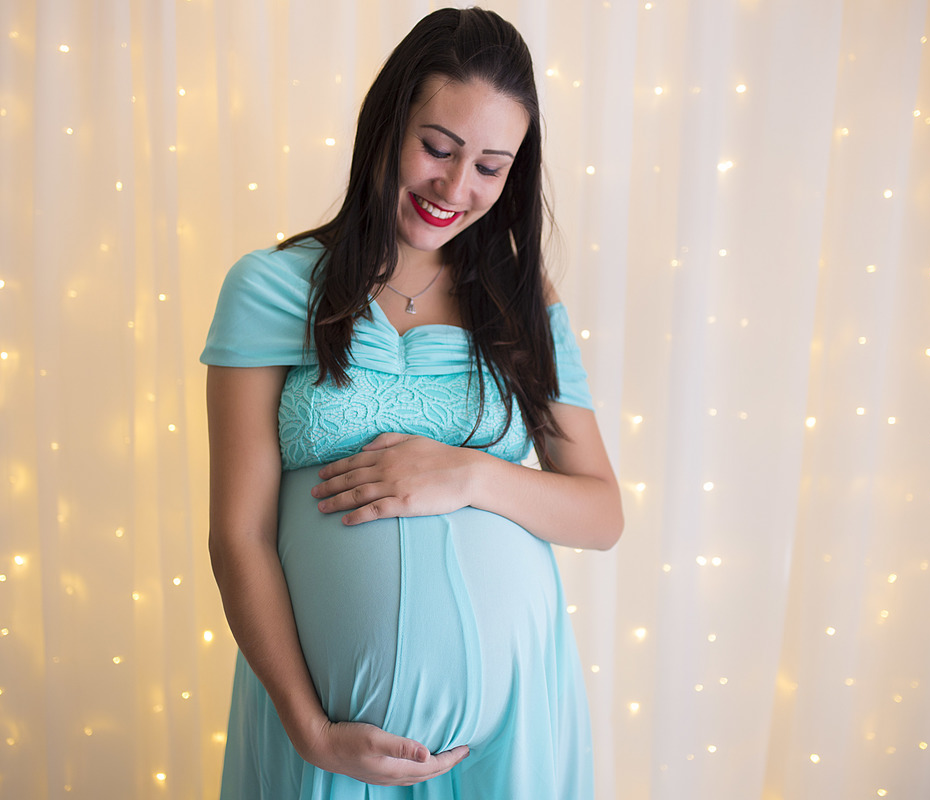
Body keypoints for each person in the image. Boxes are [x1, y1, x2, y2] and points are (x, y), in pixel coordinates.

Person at [201, 7, 623, 797]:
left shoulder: (524, 303)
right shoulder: (270, 289)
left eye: (490, 167)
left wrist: (470, 475)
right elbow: (239, 535)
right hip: (328, 736)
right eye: (437, 147)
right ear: (388, 124)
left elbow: (602, 514)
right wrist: (309, 729)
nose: (455, 188)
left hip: (515, 730)